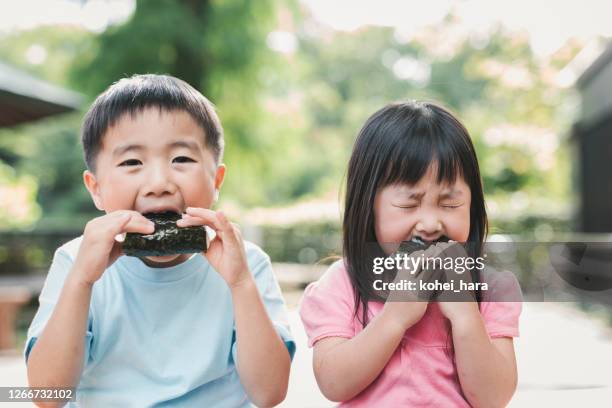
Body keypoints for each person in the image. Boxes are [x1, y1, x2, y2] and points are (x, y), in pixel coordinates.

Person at [25, 74, 294, 407]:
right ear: (95, 187)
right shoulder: (74, 262)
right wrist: (81, 281)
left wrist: (240, 284)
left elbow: (269, 394)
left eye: (181, 159)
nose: (159, 183)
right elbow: (47, 396)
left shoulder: (246, 263)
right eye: (132, 162)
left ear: (217, 180)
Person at [299, 101, 522, 407]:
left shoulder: (491, 287)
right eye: (408, 204)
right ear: (368, 205)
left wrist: (465, 315)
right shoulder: (342, 284)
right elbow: (334, 384)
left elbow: (494, 398)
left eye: (449, 204)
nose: (430, 224)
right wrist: (395, 318)